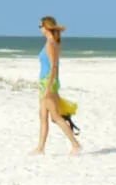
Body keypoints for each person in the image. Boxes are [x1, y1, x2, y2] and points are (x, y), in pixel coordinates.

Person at [31, 16, 82, 155]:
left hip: (49, 82)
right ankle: (40, 148)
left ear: (46, 27)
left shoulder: (51, 44)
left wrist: (48, 87)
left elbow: (54, 66)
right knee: (43, 116)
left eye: (40, 26)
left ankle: (75, 145)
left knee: (55, 117)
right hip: (45, 81)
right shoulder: (52, 42)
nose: (39, 28)